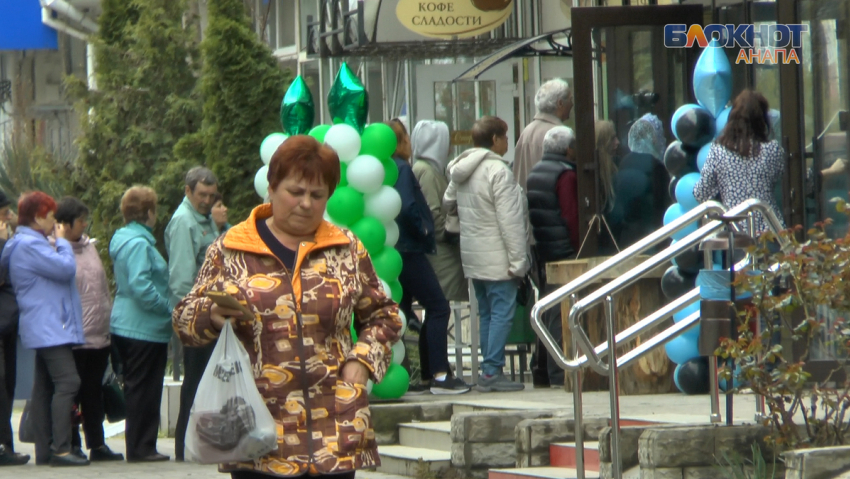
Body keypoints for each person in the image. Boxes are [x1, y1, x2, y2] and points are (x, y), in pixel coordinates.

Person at [173, 135, 401, 478]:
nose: (306, 203)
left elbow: (385, 315)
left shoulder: (346, 248)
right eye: (295, 192)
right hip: (258, 434)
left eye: (317, 195)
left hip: (336, 431)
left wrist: (363, 362)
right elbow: (183, 320)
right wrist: (211, 315)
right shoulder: (231, 250)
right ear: (272, 187)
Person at [0, 191, 86, 467]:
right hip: (49, 325)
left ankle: (45, 450)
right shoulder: (29, 245)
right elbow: (65, 268)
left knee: (45, 387)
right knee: (68, 382)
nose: (55, 223)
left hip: (47, 324)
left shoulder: (27, 243)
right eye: (51, 217)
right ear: (38, 218)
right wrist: (63, 242)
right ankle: (60, 449)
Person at [444, 116, 529, 392]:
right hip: (498, 258)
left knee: (486, 313)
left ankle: (487, 370)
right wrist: (519, 262)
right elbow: (510, 222)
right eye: (505, 136)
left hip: (474, 256)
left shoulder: (462, 170)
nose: (507, 141)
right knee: (502, 313)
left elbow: (448, 202)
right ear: (495, 139)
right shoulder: (498, 171)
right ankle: (492, 370)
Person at [388, 119, 469, 395]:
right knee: (438, 306)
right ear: (401, 141)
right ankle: (440, 374)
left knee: (402, 309)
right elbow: (407, 206)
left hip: (395, 250)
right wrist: (424, 229)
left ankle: (423, 375)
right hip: (410, 249)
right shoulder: (403, 168)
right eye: (406, 138)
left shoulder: (388, 168)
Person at [54, 197, 124, 462]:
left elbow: (101, 285)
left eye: (85, 220)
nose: (85, 224)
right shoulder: (55, 249)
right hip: (74, 335)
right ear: (65, 223)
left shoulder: (89, 246)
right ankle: (72, 444)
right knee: (73, 392)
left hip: (99, 333)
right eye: (80, 220)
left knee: (94, 392)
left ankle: (97, 444)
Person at [109, 186, 172, 463]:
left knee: (137, 387)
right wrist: (167, 308)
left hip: (126, 322)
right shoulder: (139, 244)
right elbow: (141, 285)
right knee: (145, 389)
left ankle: (140, 445)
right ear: (148, 212)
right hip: (143, 327)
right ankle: (141, 447)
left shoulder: (124, 239)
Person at [166, 166, 221, 461]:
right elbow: (181, 280)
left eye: (212, 195)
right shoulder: (184, 222)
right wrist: (188, 321)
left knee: (207, 382)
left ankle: (203, 445)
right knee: (195, 382)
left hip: (211, 314)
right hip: (196, 317)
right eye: (202, 194)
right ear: (188, 191)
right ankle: (183, 449)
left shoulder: (205, 218)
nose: (207, 200)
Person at [526, 127, 584, 388]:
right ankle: (559, 371)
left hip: (544, 247)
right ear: (569, 149)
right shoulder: (566, 175)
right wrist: (579, 247)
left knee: (549, 309)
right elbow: (571, 216)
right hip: (564, 248)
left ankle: (544, 369)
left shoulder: (536, 172)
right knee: (562, 312)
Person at [410, 120, 468, 303]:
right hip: (442, 254)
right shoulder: (427, 172)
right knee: (445, 305)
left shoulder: (425, 169)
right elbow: (432, 211)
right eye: (447, 142)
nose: (450, 148)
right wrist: (449, 235)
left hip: (438, 249)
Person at [609, 114, 670, 248]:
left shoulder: (624, 163)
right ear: (653, 138)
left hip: (626, 236)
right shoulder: (656, 167)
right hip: (652, 235)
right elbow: (662, 204)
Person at [0, 191, 28, 467]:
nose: (8, 217)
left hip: (7, 323)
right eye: (3, 213)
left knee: (7, 383)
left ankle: (6, 445)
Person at [513, 79, 574, 192]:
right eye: (570, 99)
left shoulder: (526, 131)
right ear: (560, 103)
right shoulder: (559, 135)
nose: (572, 104)